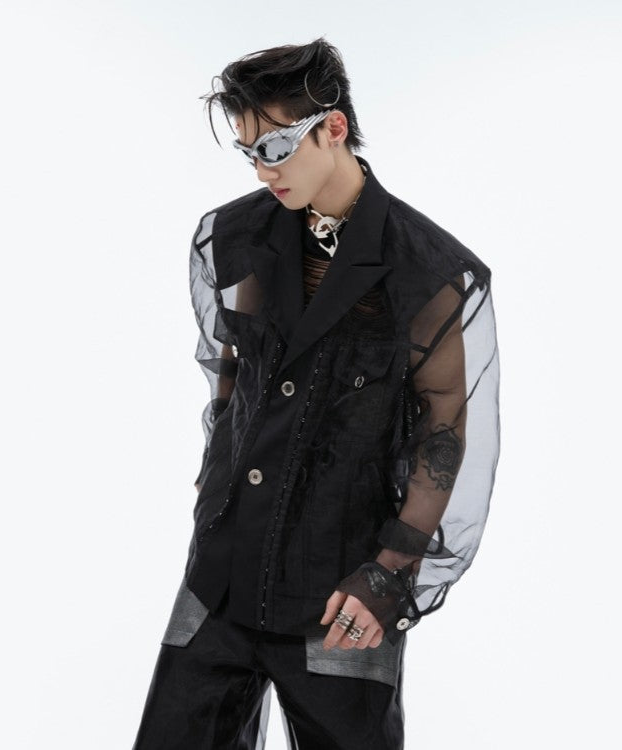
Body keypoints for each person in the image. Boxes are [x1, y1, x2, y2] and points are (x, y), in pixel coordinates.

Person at [132, 37, 500, 750]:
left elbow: (444, 435)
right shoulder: (235, 236)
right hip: (222, 580)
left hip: (343, 596)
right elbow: (232, 376)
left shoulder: (427, 274)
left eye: (274, 147)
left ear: (333, 128)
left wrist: (389, 575)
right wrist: (215, 489)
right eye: (247, 151)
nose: (261, 169)